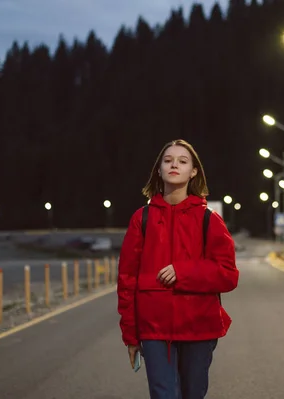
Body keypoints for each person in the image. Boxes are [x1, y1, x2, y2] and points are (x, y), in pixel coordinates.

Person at [117, 139, 239, 399]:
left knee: (193, 394)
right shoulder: (142, 219)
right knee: (164, 395)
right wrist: (130, 334)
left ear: (193, 171)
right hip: (154, 329)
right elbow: (127, 280)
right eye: (168, 160)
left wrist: (184, 272)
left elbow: (228, 274)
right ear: (158, 169)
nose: (174, 165)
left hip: (199, 327)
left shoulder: (209, 220)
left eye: (183, 161)